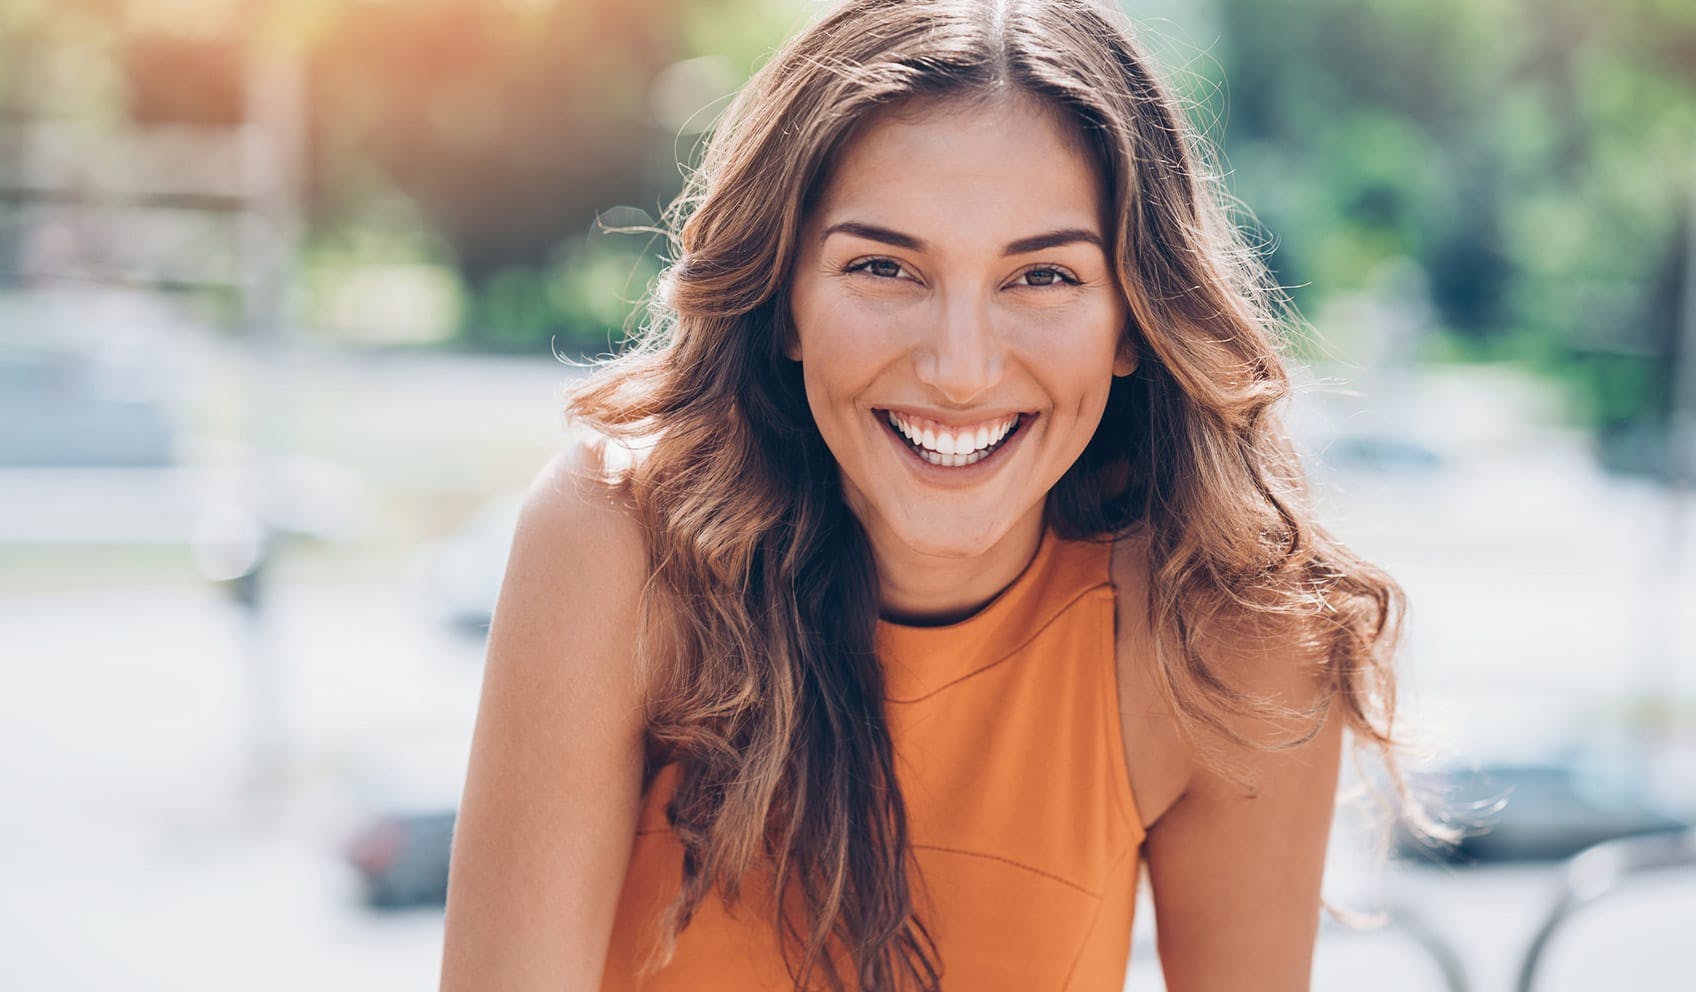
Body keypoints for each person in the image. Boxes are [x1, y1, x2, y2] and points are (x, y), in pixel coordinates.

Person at [439, 1, 1423, 989]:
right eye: (882, 267)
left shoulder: (1231, 632)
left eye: (1040, 275)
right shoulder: (612, 539)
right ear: (783, 299)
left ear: (1131, 321)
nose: (959, 367)